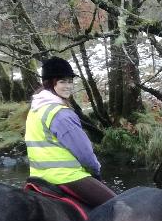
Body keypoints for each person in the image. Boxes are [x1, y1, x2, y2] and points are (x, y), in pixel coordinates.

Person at [26, 56, 116, 207]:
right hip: (67, 177)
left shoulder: (35, 110)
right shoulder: (61, 113)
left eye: (70, 81)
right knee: (118, 207)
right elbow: (85, 154)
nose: (68, 86)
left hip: (38, 177)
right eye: (62, 81)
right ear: (50, 83)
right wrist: (96, 172)